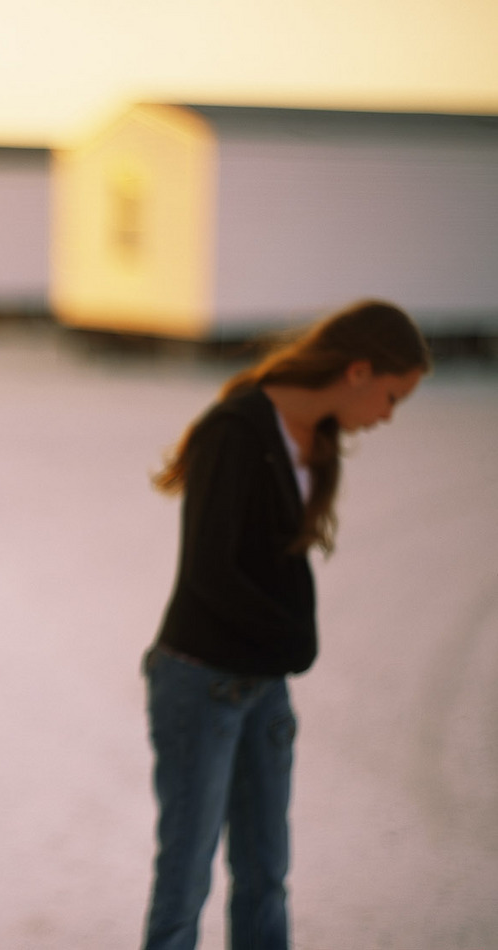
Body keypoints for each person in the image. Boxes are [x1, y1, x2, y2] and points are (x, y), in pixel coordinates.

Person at [140, 300, 431, 950]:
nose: (387, 415)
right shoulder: (234, 429)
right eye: (392, 395)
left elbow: (282, 564)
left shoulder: (318, 437)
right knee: (186, 885)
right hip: (199, 684)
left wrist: (289, 645)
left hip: (264, 689)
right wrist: (293, 640)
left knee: (266, 876)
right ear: (359, 371)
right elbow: (210, 571)